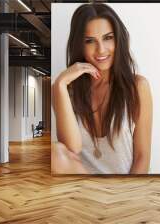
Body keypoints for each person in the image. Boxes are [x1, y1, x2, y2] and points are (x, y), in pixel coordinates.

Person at [51, 3, 153, 174]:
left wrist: (130, 197)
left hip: (124, 192)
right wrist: (60, 85)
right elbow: (72, 150)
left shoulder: (137, 87)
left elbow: (143, 157)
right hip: (84, 190)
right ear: (80, 45)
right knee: (55, 153)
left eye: (108, 38)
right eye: (90, 41)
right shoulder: (67, 90)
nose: (101, 50)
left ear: (118, 39)